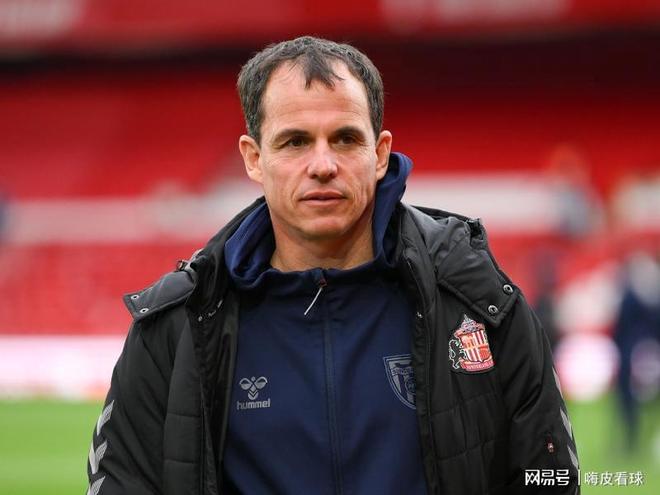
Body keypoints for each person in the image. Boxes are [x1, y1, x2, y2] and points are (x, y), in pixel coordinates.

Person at [86, 36, 579, 495]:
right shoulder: (177, 326)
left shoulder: (480, 304)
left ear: (380, 154)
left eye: (345, 139)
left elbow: (549, 476)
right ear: (254, 158)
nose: (323, 165)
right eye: (295, 141)